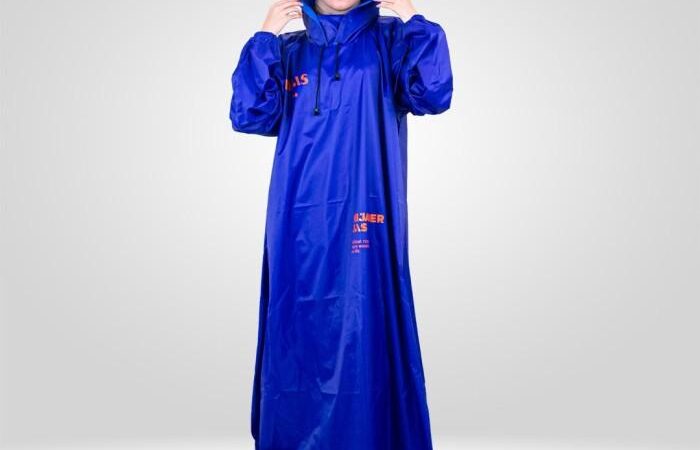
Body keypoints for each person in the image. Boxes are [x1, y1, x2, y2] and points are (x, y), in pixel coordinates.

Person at [229, 0, 453, 448]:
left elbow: (432, 94)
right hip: (297, 222)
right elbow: (249, 114)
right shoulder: (289, 51)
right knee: (295, 330)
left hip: (366, 220)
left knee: (364, 330)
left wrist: (414, 20)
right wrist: (265, 37)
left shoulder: (391, 41)